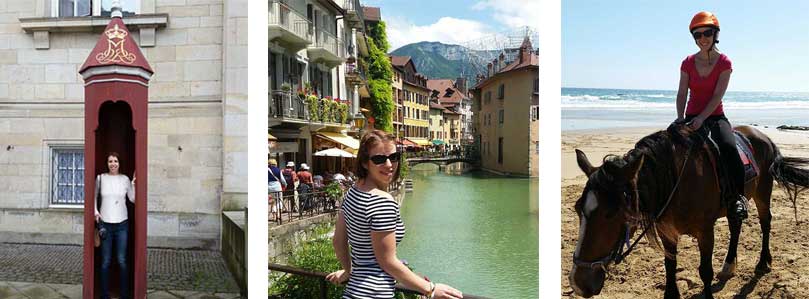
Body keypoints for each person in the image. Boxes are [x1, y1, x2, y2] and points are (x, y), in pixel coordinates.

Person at [326, 130, 463, 299]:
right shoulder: (382, 201)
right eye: (379, 159)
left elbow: (338, 241)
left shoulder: (353, 191)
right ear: (364, 163)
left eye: (394, 157)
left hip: (353, 292)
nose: (389, 164)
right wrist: (431, 289)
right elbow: (387, 261)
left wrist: (348, 271)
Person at [676, 11, 746, 221]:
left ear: (715, 34)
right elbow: (682, 93)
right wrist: (681, 118)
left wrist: (702, 119)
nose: (702, 38)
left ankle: (738, 198)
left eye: (707, 33)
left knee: (728, 147)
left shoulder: (724, 62)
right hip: (690, 116)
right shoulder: (687, 62)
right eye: (697, 35)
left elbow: (717, 96)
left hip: (715, 117)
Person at [95, 152, 135, 299]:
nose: (113, 164)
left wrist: (134, 183)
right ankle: (104, 295)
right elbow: (93, 197)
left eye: (115, 161)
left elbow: (133, 199)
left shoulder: (125, 179)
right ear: (107, 163)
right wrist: (95, 212)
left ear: (119, 163)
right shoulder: (100, 178)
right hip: (105, 224)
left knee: (121, 260)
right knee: (105, 261)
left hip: (122, 225)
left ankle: (124, 295)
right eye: (110, 161)